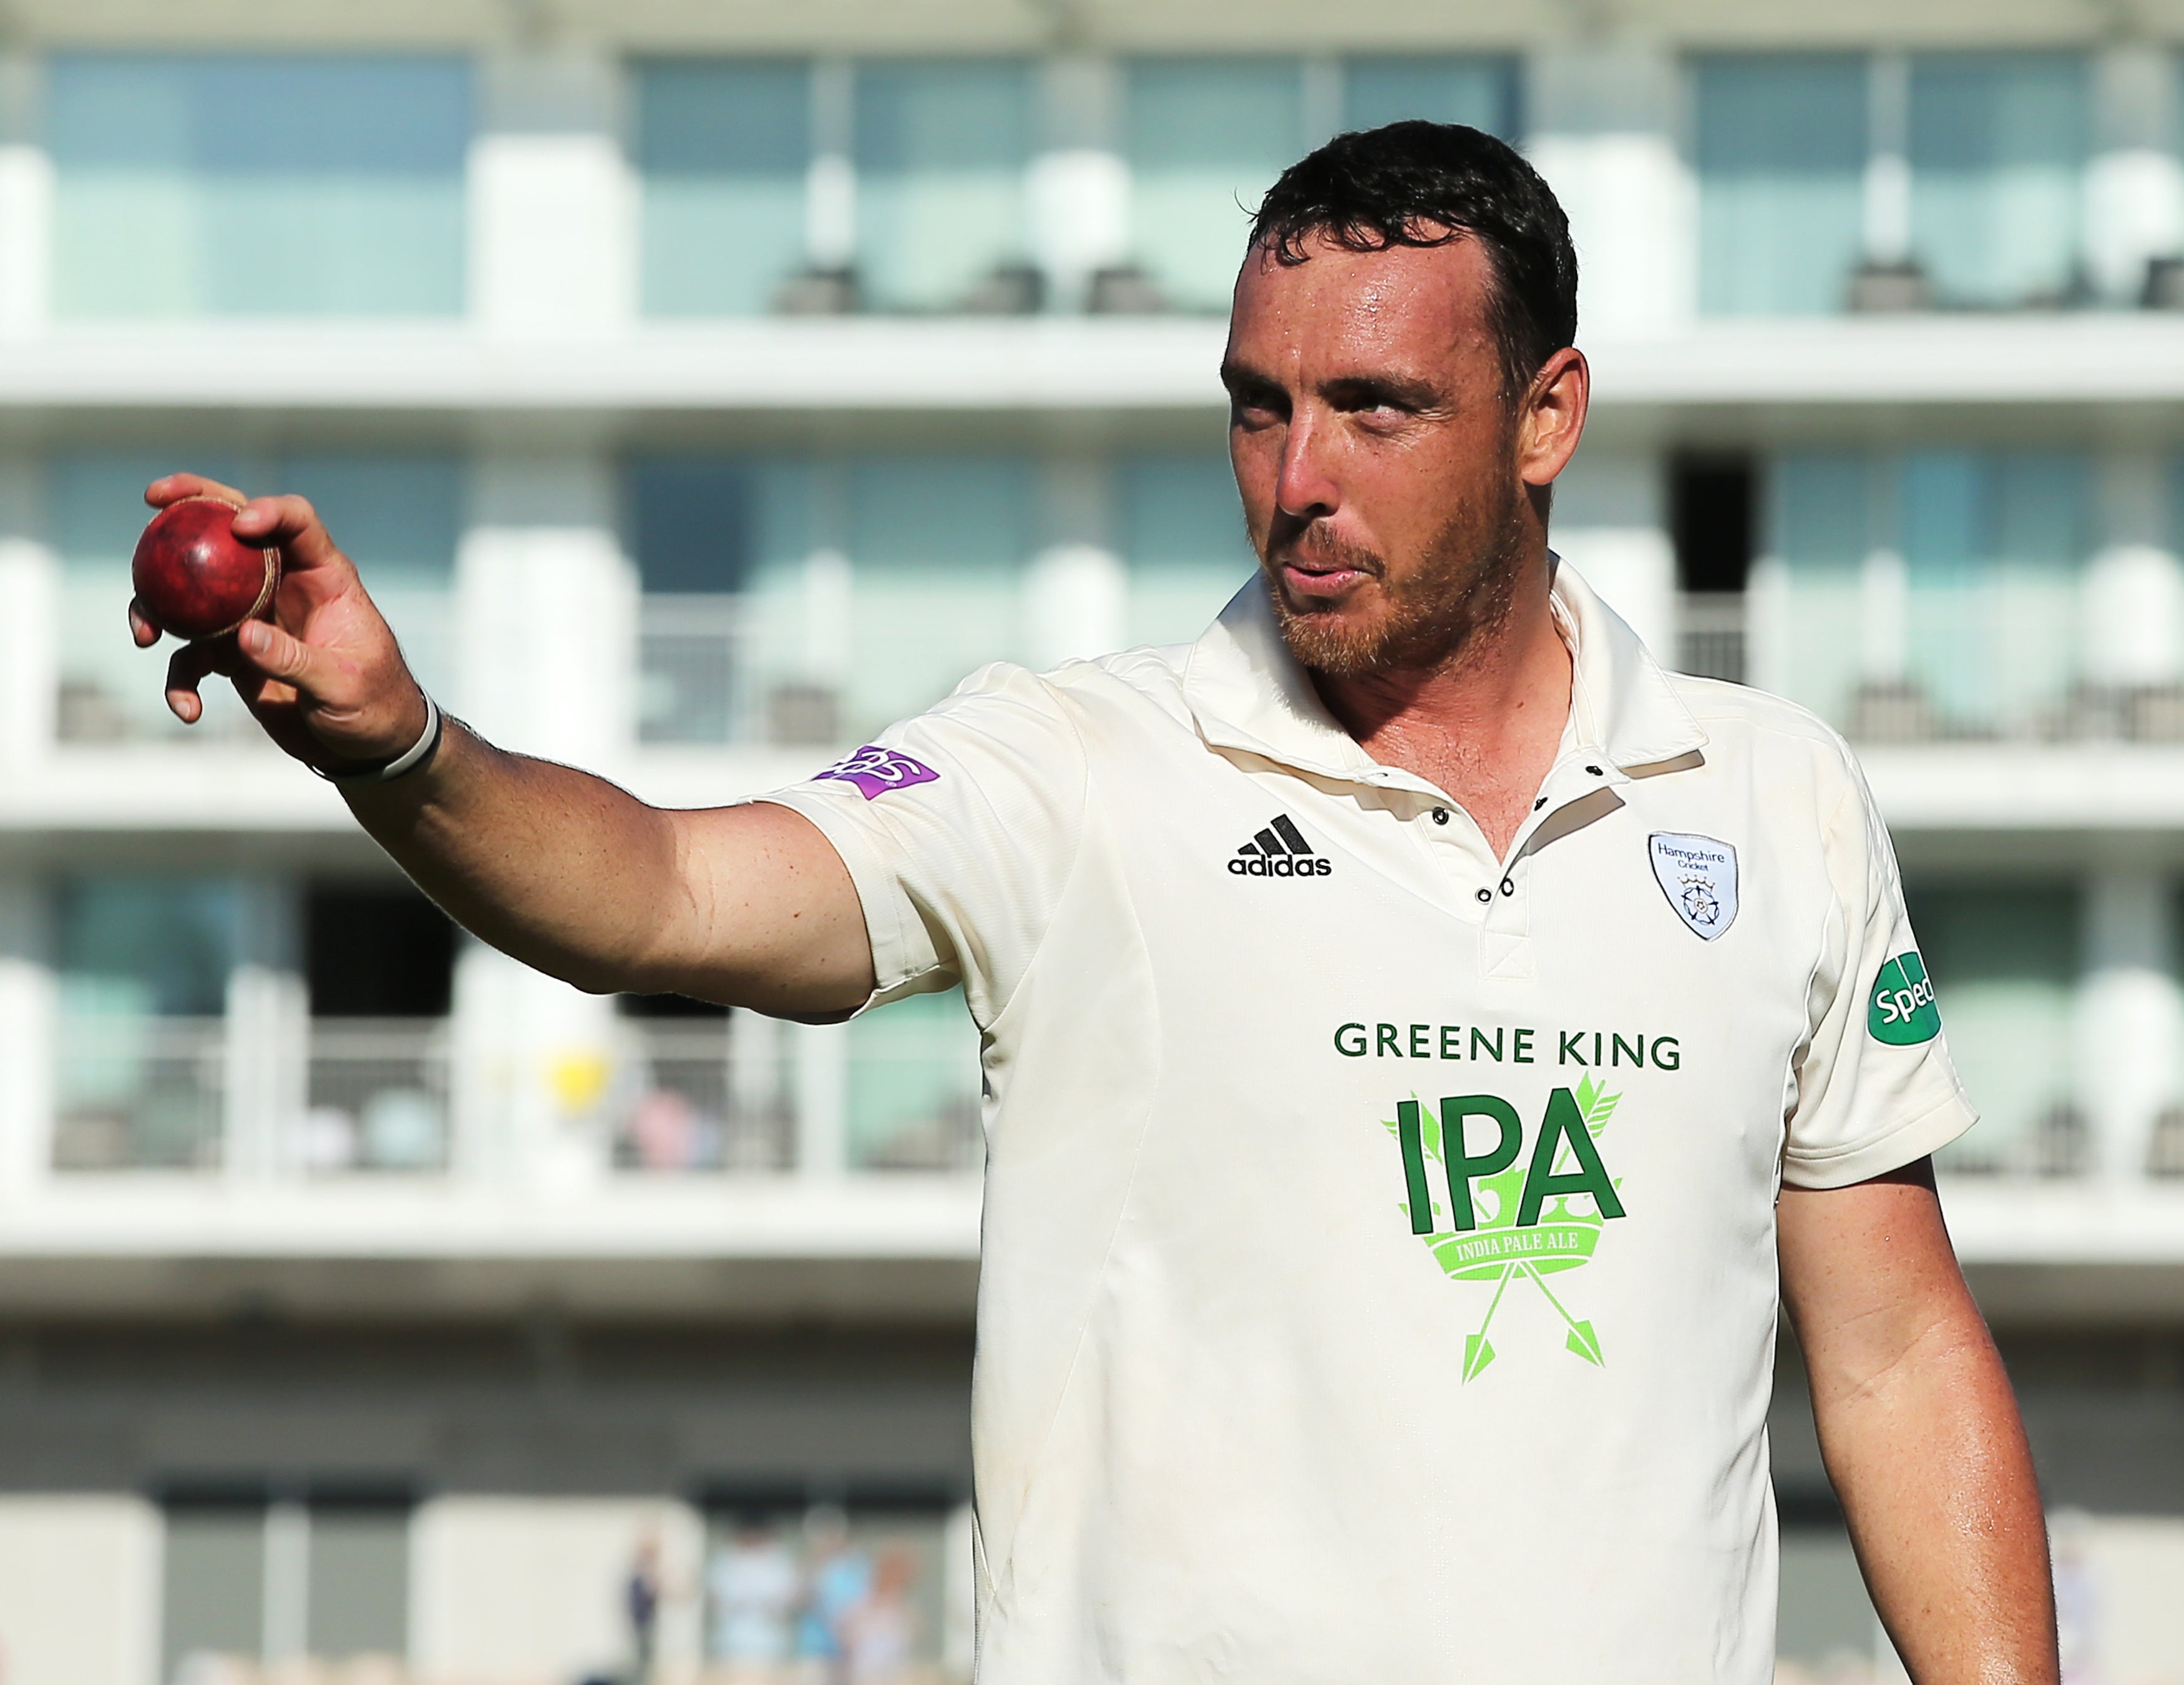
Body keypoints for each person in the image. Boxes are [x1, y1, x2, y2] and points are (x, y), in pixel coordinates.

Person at [131, 121, 2057, 1683]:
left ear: (1544, 416)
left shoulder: (1769, 788)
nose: (1296, 477)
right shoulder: (1070, 767)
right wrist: (400, 744)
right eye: (1255, 407)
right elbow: (658, 895)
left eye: (1374, 408)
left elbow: (1887, 1351)